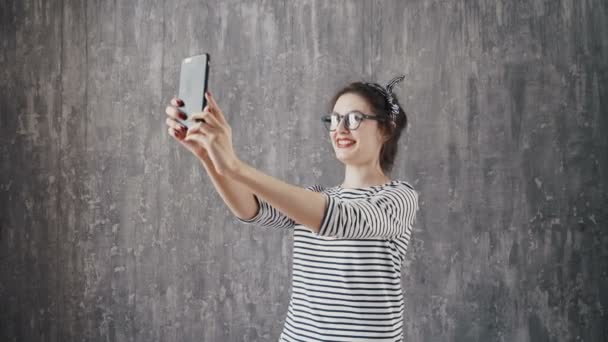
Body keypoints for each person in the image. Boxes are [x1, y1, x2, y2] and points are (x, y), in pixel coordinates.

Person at [164, 75, 420, 341]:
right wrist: (207, 155)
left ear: (386, 129)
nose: (340, 129)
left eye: (354, 119)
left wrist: (234, 165)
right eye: (334, 119)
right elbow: (250, 208)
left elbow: (340, 219)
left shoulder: (398, 198)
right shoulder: (315, 197)